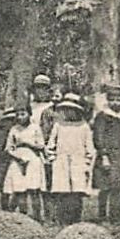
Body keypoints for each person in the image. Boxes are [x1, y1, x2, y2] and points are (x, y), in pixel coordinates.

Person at [45, 94, 96, 224]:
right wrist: (52, 158)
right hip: (61, 162)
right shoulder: (59, 126)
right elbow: (51, 144)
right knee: (62, 192)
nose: (68, 112)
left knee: (76, 193)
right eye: (66, 109)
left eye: (72, 110)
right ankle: (62, 219)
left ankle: (75, 219)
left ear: (78, 111)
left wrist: (86, 163)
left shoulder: (84, 127)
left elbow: (90, 148)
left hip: (78, 163)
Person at [93, 85, 120, 222]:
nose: (115, 103)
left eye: (118, 99)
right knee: (105, 188)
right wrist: (103, 155)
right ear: (108, 100)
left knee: (119, 187)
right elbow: (98, 136)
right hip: (107, 156)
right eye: (112, 100)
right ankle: (102, 215)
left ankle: (114, 215)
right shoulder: (103, 116)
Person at [1, 108, 45, 220]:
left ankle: (37, 216)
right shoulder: (14, 129)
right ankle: (22, 217)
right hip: (17, 158)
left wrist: (27, 143)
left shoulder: (35, 128)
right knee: (20, 189)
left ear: (29, 114)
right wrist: (16, 157)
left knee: (34, 189)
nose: (20, 117)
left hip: (32, 158)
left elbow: (41, 145)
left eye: (23, 114)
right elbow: (8, 147)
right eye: (18, 115)